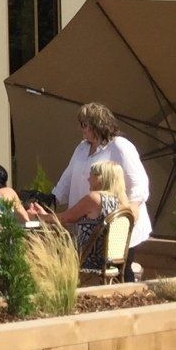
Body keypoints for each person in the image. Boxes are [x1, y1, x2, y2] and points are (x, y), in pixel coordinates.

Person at [56, 102, 151, 248]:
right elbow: (68, 177)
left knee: (120, 268)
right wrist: (54, 197)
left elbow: (139, 183)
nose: (81, 128)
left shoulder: (120, 146)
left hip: (114, 228)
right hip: (86, 224)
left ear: (97, 125)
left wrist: (127, 216)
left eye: (84, 124)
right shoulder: (82, 147)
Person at [53, 159, 129, 257]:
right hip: (111, 263)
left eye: (91, 175)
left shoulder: (95, 198)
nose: (88, 179)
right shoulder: (124, 204)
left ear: (100, 178)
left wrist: (37, 216)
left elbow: (65, 218)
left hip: (87, 261)